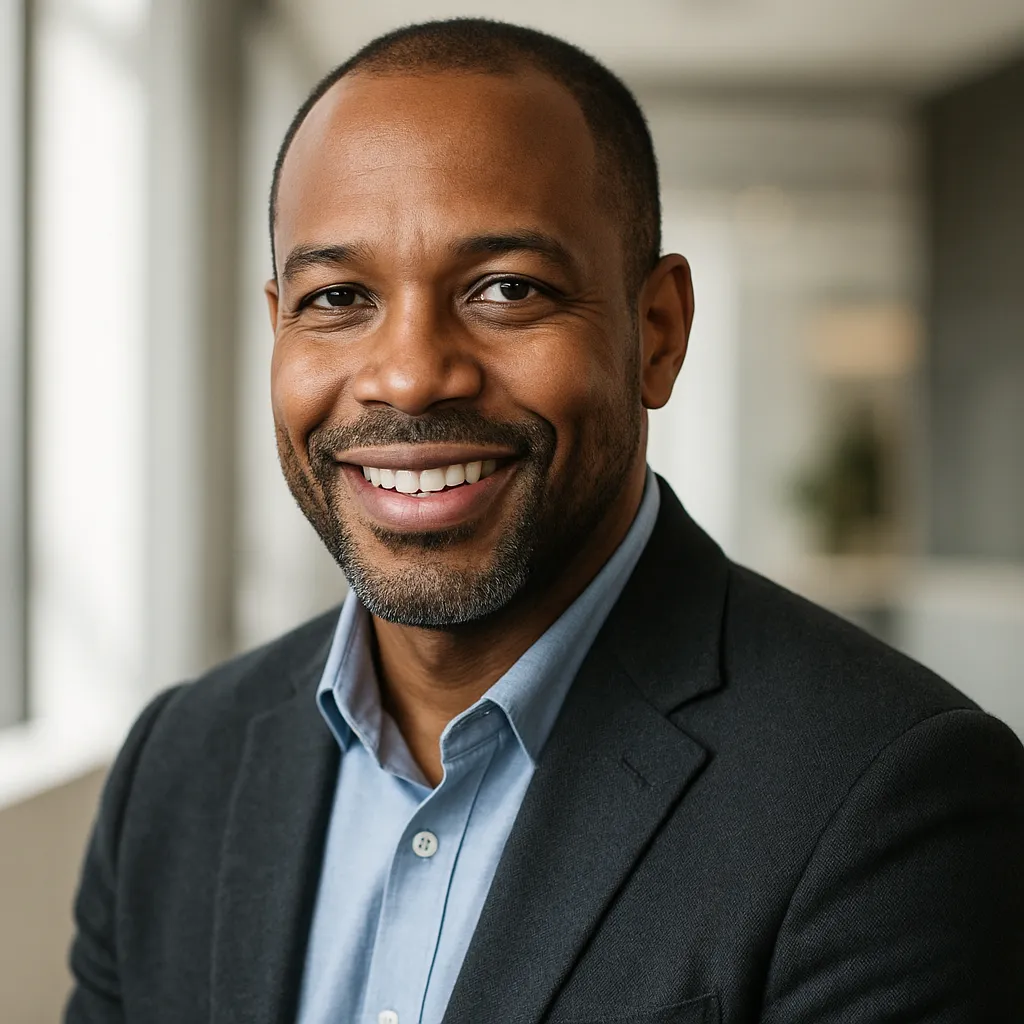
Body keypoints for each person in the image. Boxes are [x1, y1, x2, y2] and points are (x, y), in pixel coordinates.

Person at [66, 19, 1024, 1024]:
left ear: (656, 333)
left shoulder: (891, 800)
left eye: (506, 289)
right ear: (277, 331)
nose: (408, 372)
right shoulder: (178, 766)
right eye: (339, 297)